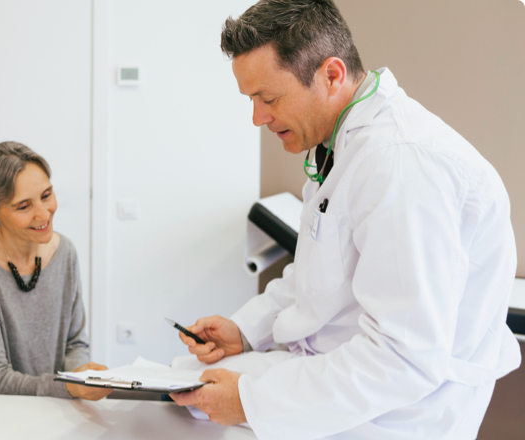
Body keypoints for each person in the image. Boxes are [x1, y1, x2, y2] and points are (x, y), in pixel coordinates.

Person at [170, 1, 521, 438]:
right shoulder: (342, 142)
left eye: (268, 98)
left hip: (394, 414)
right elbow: (317, 276)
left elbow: (402, 359)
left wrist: (250, 400)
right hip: (333, 373)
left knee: (192, 416)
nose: (257, 118)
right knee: (182, 382)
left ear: (331, 75)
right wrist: (245, 330)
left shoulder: (401, 165)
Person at [0, 141, 111, 401]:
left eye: (46, 195)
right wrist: (68, 387)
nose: (43, 214)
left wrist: (80, 375)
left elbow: (74, 343)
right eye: (24, 206)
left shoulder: (65, 252)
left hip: (40, 398)